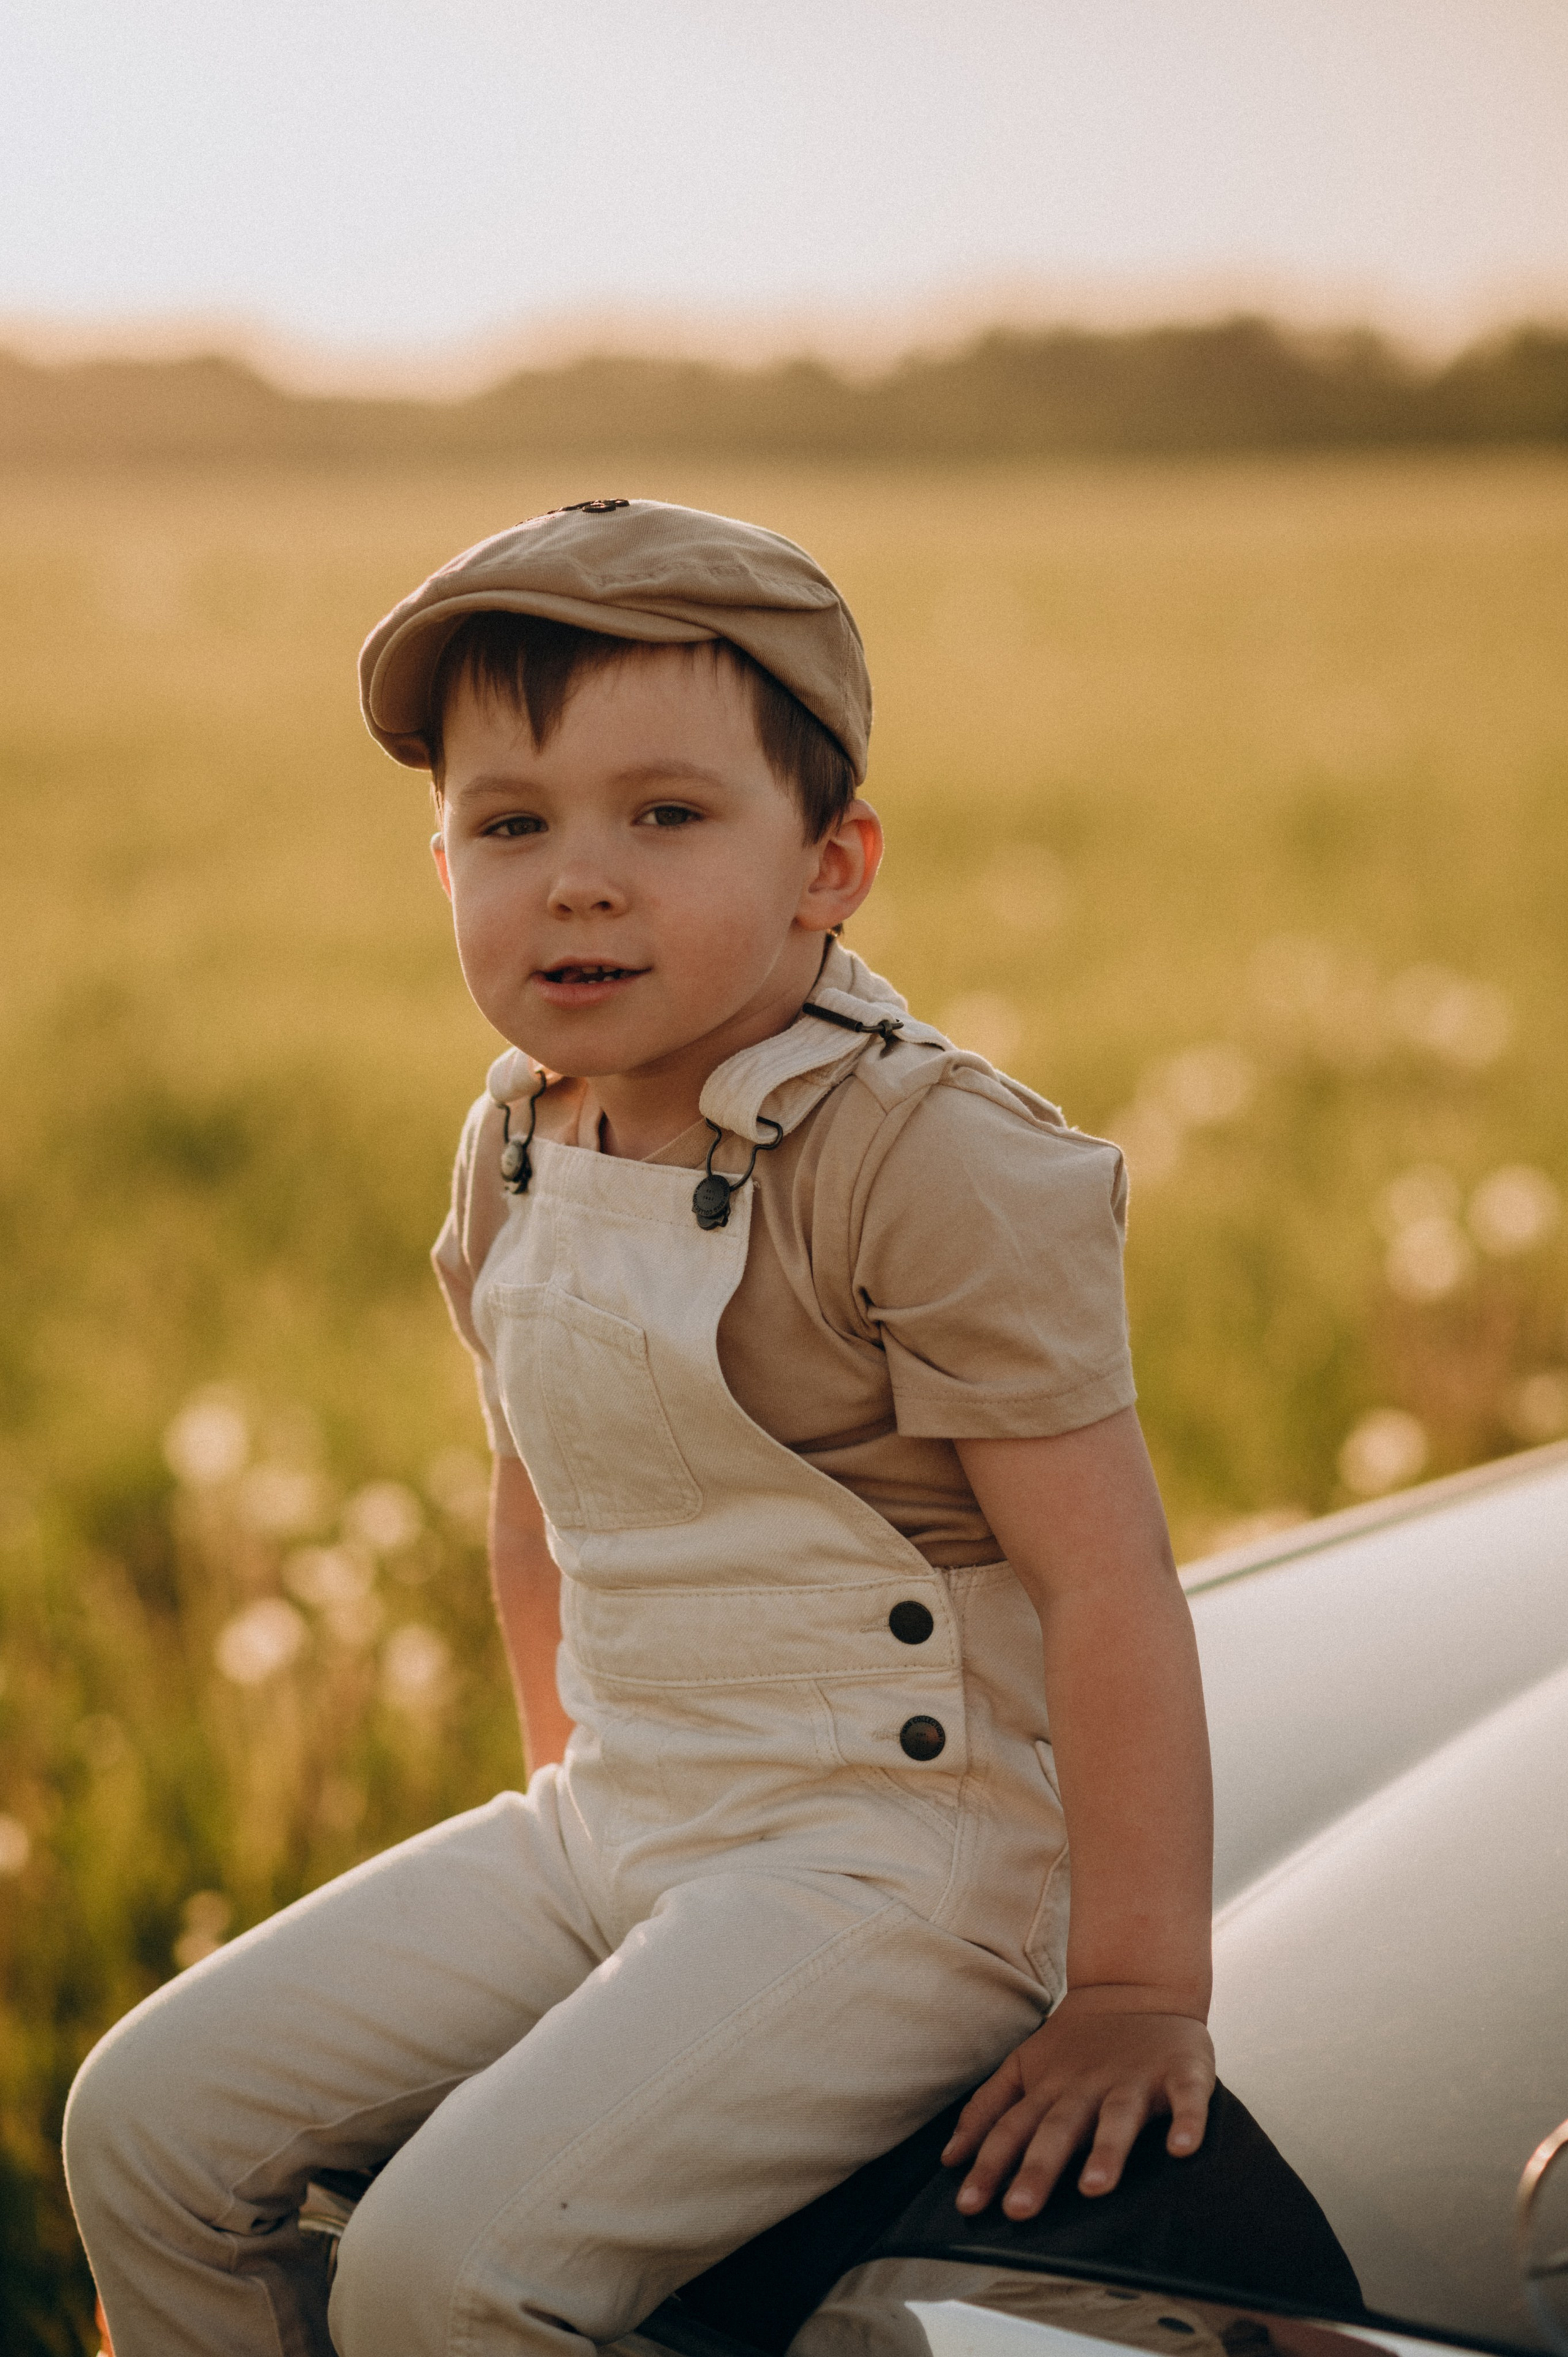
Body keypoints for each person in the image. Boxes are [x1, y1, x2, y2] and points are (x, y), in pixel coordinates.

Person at [65, 499, 1215, 2357]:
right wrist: (583, 1869)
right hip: (628, 1815)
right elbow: (543, 1496)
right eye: (510, 825)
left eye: (664, 817)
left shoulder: (925, 1159)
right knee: (146, 2128)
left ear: (830, 865)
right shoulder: (521, 1132)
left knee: (443, 2277)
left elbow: (1110, 1583)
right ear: (438, 866)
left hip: (899, 1866)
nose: (577, 880)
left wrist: (1140, 1986)